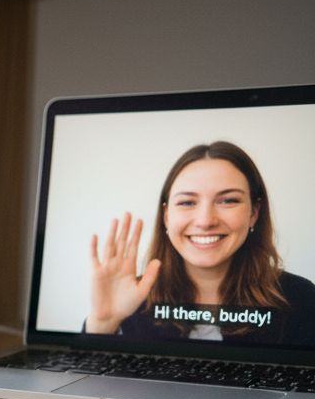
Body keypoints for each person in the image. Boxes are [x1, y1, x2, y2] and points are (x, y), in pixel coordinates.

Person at [86, 140, 315, 346]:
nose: (205, 221)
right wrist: (103, 323)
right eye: (187, 202)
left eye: (228, 200)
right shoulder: (132, 298)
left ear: (254, 213)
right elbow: (92, 376)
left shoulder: (300, 298)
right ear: (167, 216)